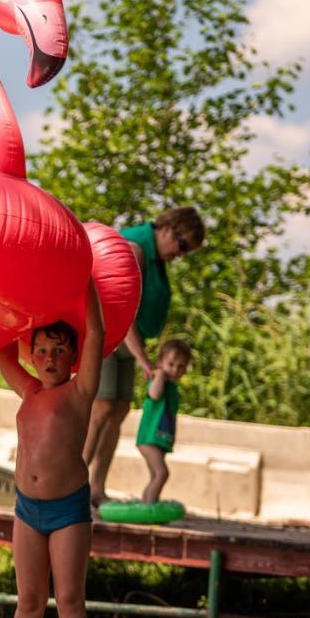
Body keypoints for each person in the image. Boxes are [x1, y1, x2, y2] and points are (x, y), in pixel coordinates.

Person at [0, 289, 104, 618]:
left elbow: (95, 332)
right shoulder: (30, 391)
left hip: (67, 510)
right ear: (32, 354)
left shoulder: (80, 391)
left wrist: (86, 285)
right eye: (41, 351)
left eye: (58, 351)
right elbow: (3, 355)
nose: (49, 359)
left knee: (71, 600)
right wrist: (13, 306)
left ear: (72, 357)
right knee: (29, 601)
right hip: (27, 510)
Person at [83, 206, 204, 504]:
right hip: (108, 335)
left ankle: (95, 488)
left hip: (129, 341)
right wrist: (143, 358)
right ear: (167, 229)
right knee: (101, 408)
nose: (181, 254)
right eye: (182, 245)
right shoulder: (136, 249)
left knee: (120, 407)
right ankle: (73, 484)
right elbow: (119, 308)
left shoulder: (156, 257)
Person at [135, 339, 192, 504]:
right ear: (160, 362)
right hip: (148, 437)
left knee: (155, 475)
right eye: (171, 364)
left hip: (160, 438)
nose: (175, 370)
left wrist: (172, 435)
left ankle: (148, 502)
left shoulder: (173, 389)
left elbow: (172, 414)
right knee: (162, 473)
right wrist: (159, 374)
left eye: (180, 367)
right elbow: (154, 394)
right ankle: (149, 506)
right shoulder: (157, 382)